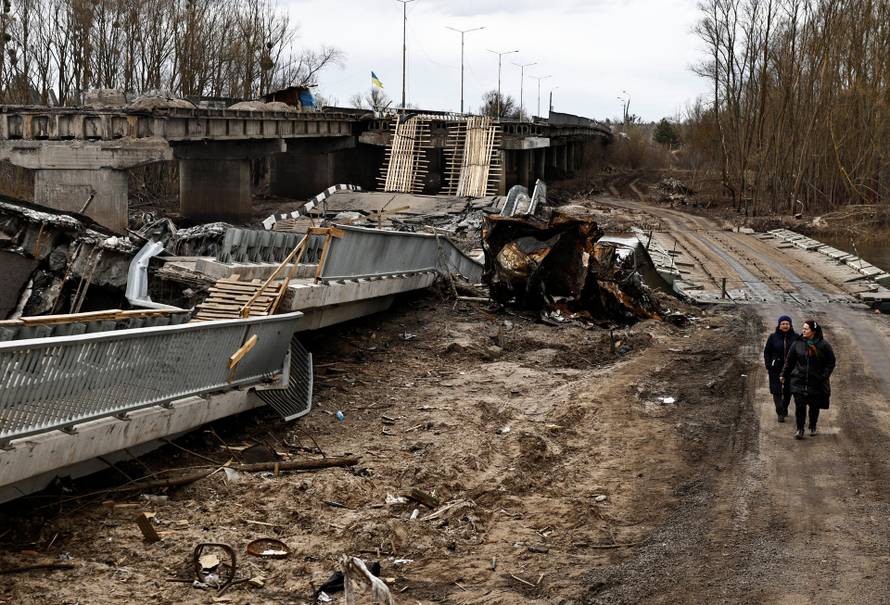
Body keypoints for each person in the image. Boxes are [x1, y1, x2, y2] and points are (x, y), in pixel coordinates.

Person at [781, 319, 836, 439]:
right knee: (800, 406)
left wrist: (823, 376)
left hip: (816, 382)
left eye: (806, 329)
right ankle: (800, 429)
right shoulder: (798, 343)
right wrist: (783, 374)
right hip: (798, 381)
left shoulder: (823, 345)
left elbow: (831, 362)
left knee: (814, 406)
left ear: (813, 331)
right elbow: (789, 361)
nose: (803, 331)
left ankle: (812, 425)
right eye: (803, 328)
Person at [763, 315, 796, 423]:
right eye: (783, 324)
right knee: (776, 390)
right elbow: (767, 352)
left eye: (787, 324)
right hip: (775, 368)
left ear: (790, 325)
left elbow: (800, 351)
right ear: (779, 325)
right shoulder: (773, 337)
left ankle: (785, 407)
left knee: (788, 390)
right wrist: (768, 364)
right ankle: (780, 412)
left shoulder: (796, 337)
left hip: (791, 369)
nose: (785, 325)